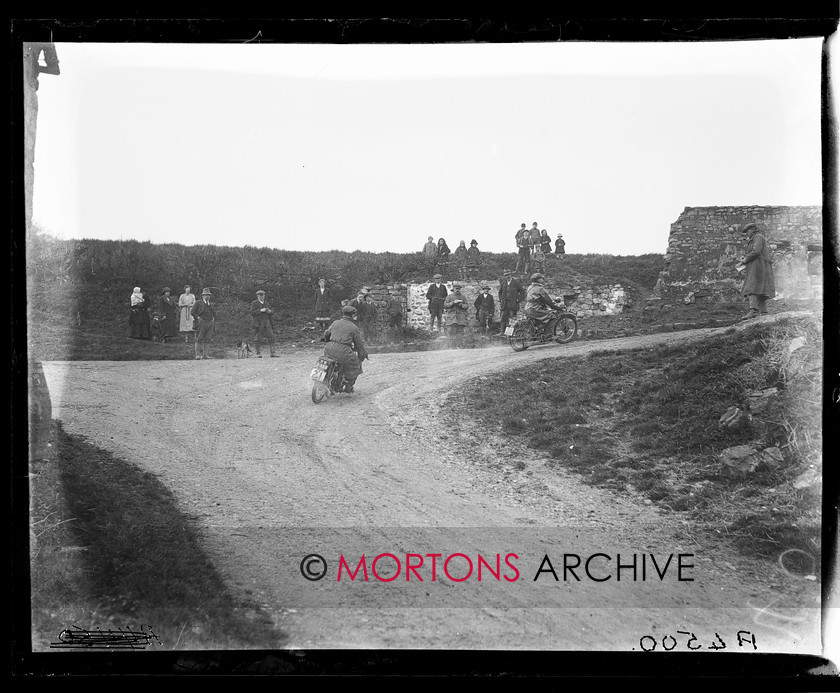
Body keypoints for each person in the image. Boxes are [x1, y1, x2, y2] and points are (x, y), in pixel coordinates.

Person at [323, 305, 368, 393]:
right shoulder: (353, 327)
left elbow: (326, 334)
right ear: (352, 315)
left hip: (329, 348)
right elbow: (359, 344)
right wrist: (362, 354)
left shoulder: (335, 322)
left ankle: (331, 379)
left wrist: (329, 341)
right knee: (356, 364)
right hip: (343, 350)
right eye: (354, 314)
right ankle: (349, 386)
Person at [739, 222, 776, 320]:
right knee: (759, 288)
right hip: (755, 265)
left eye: (748, 230)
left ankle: (753, 310)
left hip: (759, 265)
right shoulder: (752, 240)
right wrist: (745, 260)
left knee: (751, 286)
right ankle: (764, 312)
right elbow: (753, 252)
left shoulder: (758, 237)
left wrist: (745, 260)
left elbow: (756, 251)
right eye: (746, 231)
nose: (747, 233)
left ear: (753, 230)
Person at [249, 289, 278, 357]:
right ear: (257, 296)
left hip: (267, 322)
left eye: (263, 295)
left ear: (264, 296)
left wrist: (270, 311)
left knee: (271, 337)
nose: (261, 297)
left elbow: (272, 311)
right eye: (260, 295)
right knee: (258, 338)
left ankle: (272, 353)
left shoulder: (266, 303)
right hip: (258, 323)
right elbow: (252, 312)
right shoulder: (254, 303)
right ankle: (258, 353)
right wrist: (260, 310)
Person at [191, 288, 216, 360]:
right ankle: (198, 355)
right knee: (199, 337)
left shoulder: (210, 304)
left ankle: (206, 354)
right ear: (202, 296)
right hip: (201, 322)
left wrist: (213, 319)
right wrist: (198, 318)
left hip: (210, 322)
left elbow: (214, 313)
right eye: (205, 295)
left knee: (208, 338)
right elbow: (192, 312)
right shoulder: (198, 303)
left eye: (208, 295)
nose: (207, 297)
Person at [444, 284, 469, 348]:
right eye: (456, 289)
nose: (457, 290)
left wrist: (461, 305)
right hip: (451, 316)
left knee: (460, 331)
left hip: (460, 316)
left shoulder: (463, 297)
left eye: (458, 289)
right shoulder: (449, 297)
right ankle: (450, 346)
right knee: (450, 330)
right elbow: (445, 305)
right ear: (453, 289)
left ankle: (459, 345)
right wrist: (453, 303)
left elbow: (466, 306)